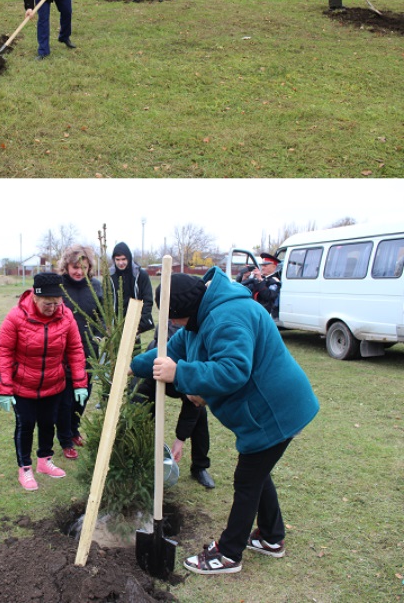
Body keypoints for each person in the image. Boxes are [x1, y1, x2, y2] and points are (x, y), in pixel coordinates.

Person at [130, 268, 319, 576]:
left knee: (248, 478)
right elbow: (170, 350)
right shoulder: (200, 317)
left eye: (173, 319)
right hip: (267, 410)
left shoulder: (226, 317)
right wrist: (133, 366)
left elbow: (233, 370)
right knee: (258, 474)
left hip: (277, 410)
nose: (172, 325)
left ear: (184, 312)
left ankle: (229, 554)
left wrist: (181, 375)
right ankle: (272, 538)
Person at [0, 272, 88, 491]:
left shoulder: (66, 317)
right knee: (25, 425)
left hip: (54, 383)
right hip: (23, 385)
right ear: (35, 297)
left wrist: (80, 383)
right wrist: (4, 389)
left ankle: (45, 461)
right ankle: (25, 468)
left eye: (57, 303)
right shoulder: (16, 317)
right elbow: (4, 352)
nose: (53, 308)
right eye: (48, 303)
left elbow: (75, 349)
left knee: (48, 423)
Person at [135, 277, 214, 489]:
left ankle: (200, 466)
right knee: (143, 407)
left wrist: (180, 440)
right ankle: (146, 458)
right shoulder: (157, 352)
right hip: (159, 379)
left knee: (199, 414)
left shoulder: (194, 349)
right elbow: (140, 395)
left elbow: (194, 402)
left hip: (185, 380)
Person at [55, 245, 104, 458]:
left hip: (89, 349)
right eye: (75, 267)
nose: (78, 271)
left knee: (83, 395)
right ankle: (65, 439)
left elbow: (102, 313)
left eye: (83, 267)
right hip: (62, 352)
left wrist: (99, 333)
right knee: (65, 399)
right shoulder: (58, 287)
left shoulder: (96, 287)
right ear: (66, 265)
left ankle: (74, 430)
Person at [109, 241, 154, 349]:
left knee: (134, 358)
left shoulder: (140, 275)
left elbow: (147, 300)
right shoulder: (109, 276)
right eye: (117, 260)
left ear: (129, 258)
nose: (121, 263)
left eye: (123, 259)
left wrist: (140, 324)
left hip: (134, 324)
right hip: (116, 326)